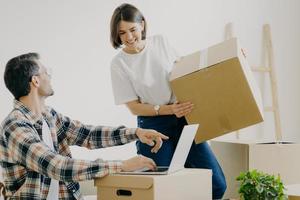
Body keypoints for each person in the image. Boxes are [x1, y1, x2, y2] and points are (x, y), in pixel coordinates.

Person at [0, 53, 169, 199]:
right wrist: (123, 166)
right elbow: (56, 166)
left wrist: (136, 133)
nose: (50, 76)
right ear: (35, 81)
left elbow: (87, 134)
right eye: (46, 72)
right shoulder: (15, 126)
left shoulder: (48, 116)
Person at [109, 3, 227, 199]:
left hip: (184, 120)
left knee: (216, 185)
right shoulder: (118, 64)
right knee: (162, 190)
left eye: (132, 29)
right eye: (122, 33)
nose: (129, 37)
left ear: (143, 25)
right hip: (153, 127)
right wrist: (170, 109)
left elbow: (186, 70)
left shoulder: (160, 42)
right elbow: (134, 107)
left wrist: (227, 60)